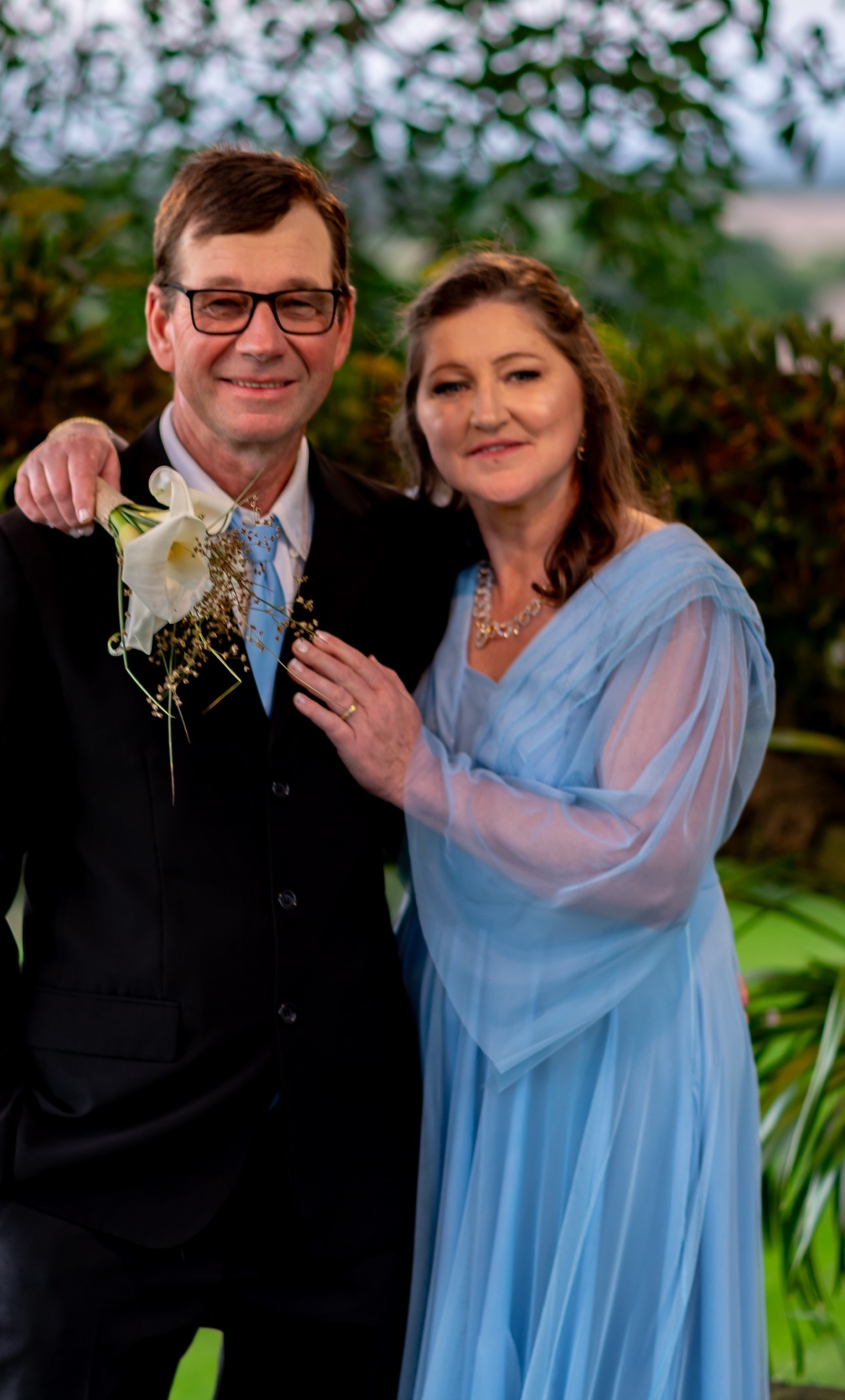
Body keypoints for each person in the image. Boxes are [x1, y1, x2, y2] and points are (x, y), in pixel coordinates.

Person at [0, 148, 464, 1400]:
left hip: (341, 1194)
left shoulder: (415, 556)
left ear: (341, 323)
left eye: (297, 301)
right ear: (162, 323)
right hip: (89, 1175)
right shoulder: (41, 557)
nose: (261, 338)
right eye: (222, 301)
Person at [285, 252, 774, 1398]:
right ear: (416, 420)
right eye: (448, 384)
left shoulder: (673, 595)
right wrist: (89, 447)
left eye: (520, 373)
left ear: (583, 393)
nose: (486, 409)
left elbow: (650, 863)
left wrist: (422, 775)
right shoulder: (425, 585)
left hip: (622, 1042)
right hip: (454, 1028)